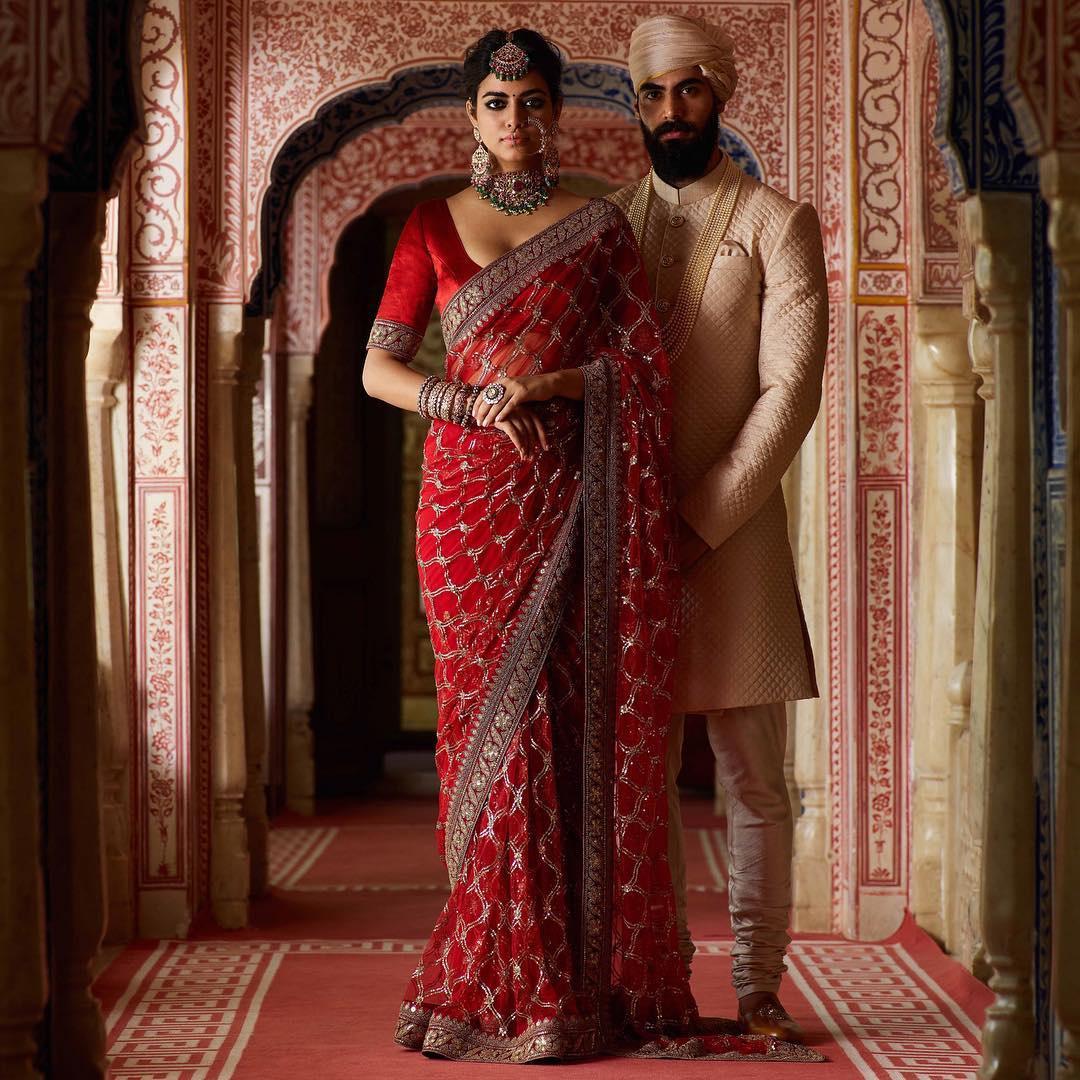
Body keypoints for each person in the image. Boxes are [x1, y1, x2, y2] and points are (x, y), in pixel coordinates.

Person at [362, 27, 820, 1067]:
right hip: (477, 511)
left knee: (618, 750)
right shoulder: (464, 223)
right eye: (494, 102)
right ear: (471, 113)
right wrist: (465, 405)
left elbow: (677, 374)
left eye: (531, 102)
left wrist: (571, 395)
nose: (514, 121)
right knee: (510, 741)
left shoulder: (661, 225)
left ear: (558, 111)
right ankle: (505, 971)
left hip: (616, 516)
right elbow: (377, 367)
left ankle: (734, 985)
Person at [608, 13, 829, 1046]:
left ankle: (758, 988)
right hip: (626, 543)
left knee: (751, 778)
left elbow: (788, 396)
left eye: (688, 90)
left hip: (732, 541)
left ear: (721, 96)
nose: (669, 113)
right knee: (636, 777)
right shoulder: (607, 225)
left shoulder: (777, 223)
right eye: (652, 96)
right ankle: (655, 983)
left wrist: (697, 520)